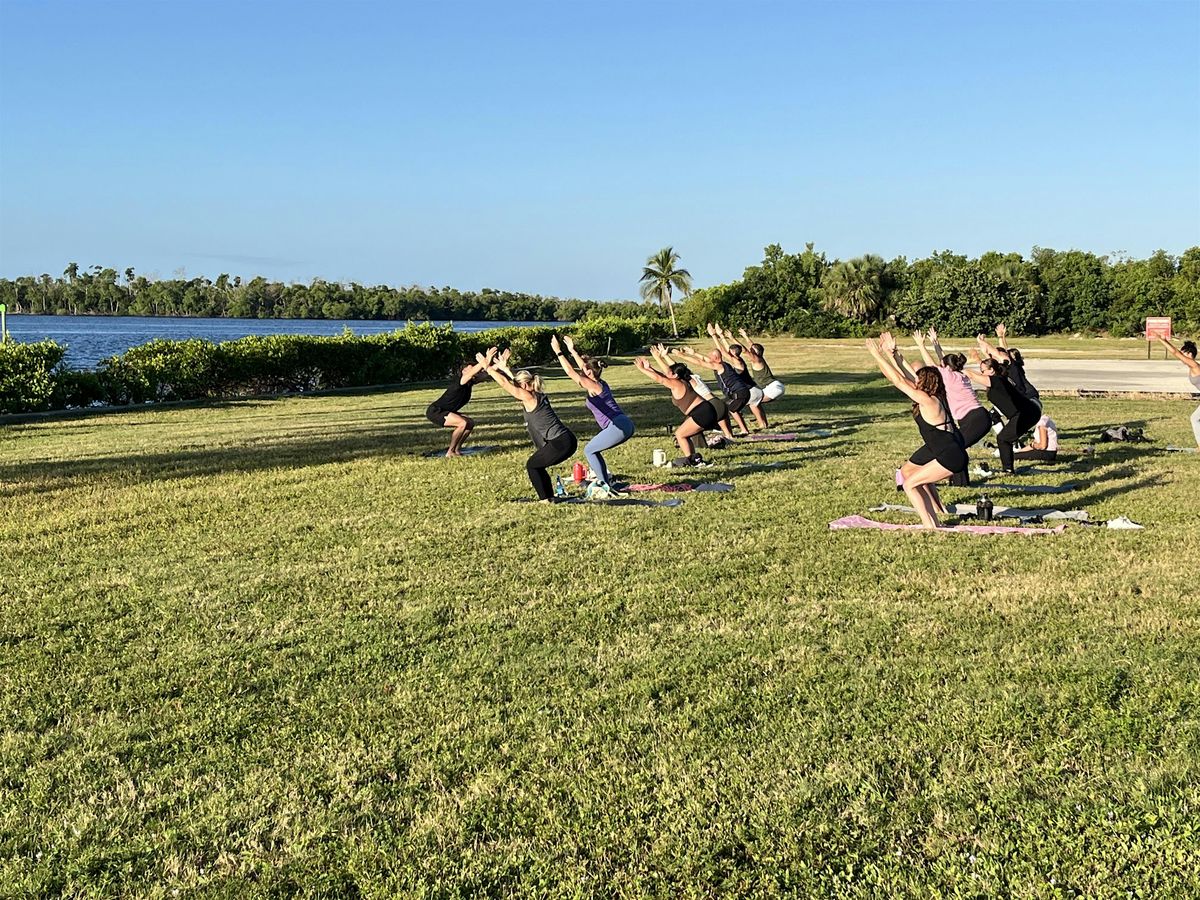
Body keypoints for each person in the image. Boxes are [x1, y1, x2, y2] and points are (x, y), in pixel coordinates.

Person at [866, 338, 967, 529]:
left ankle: (930, 526)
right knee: (908, 473)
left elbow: (897, 380)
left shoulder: (927, 400)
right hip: (946, 450)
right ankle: (934, 520)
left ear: (925, 383)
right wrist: (894, 354)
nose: (915, 381)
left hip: (950, 456)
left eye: (919, 380)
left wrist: (875, 354)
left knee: (909, 485)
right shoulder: (936, 395)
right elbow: (908, 376)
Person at [479, 348, 577, 502]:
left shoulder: (529, 396)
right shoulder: (534, 393)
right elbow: (515, 382)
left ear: (525, 385)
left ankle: (545, 499)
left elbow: (506, 384)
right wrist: (506, 369)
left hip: (560, 443)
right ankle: (548, 497)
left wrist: (488, 368)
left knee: (532, 466)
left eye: (519, 385)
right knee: (538, 465)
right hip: (566, 439)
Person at [549, 333, 634, 496]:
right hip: (624, 424)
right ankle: (605, 483)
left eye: (584, 369)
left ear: (588, 371)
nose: (582, 370)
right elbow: (584, 367)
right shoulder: (598, 383)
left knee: (589, 451)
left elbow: (569, 371)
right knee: (593, 450)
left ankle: (604, 485)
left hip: (617, 425)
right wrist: (572, 351)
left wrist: (558, 352)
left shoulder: (595, 386)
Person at [635, 345, 720, 465]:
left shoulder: (677, 384)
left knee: (680, 434)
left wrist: (642, 369)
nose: (667, 372)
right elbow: (663, 375)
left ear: (675, 375)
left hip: (702, 412)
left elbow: (660, 379)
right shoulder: (681, 381)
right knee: (684, 435)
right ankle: (693, 459)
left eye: (670, 372)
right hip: (704, 410)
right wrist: (650, 368)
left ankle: (693, 461)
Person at [913, 328, 992, 449]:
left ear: (945, 366)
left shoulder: (948, 376)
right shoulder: (959, 374)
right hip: (978, 416)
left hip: (974, 419)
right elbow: (944, 359)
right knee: (956, 447)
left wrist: (921, 345)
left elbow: (930, 364)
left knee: (954, 448)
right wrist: (936, 343)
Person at [966, 350, 1041, 474]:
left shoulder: (996, 380)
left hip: (1026, 412)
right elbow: (988, 367)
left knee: (1003, 439)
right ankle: (1009, 466)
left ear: (991, 371)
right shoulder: (996, 378)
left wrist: (955, 371)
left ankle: (1008, 469)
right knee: (1004, 438)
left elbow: (972, 375)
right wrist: (978, 359)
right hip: (1023, 413)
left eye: (983, 371)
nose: (981, 373)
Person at [425, 348, 495, 456]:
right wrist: (487, 358)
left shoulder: (470, 383)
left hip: (446, 410)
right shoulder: (461, 380)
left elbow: (487, 373)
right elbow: (477, 369)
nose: (475, 372)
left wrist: (501, 363)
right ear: (464, 371)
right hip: (436, 411)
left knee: (470, 423)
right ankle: (450, 452)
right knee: (462, 423)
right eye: (471, 369)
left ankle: (456, 449)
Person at [1158, 336, 1200, 448]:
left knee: (1195, 419)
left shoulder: (1194, 365)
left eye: (1183, 354)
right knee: (1195, 418)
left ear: (1189, 354)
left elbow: (1175, 352)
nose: (1181, 359)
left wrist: (1162, 340)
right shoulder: (1193, 367)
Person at [737, 327, 786, 403]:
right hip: (774, 387)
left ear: (756, 353)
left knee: (751, 402)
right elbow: (752, 346)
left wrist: (731, 338)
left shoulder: (757, 360)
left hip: (773, 388)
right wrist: (745, 336)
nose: (751, 351)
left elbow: (744, 350)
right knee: (753, 402)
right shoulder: (759, 358)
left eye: (752, 351)